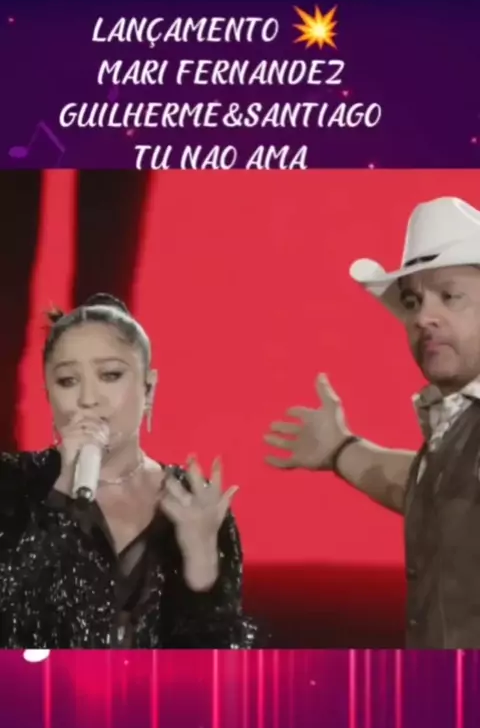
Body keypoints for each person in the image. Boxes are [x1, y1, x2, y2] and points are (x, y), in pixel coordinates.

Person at [265, 195, 480, 649]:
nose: (423, 317)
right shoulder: (458, 426)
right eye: (412, 301)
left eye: (450, 296)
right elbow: (432, 490)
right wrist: (342, 450)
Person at [0, 293, 262, 649]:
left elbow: (219, 655)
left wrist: (201, 565)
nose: (88, 398)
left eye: (110, 375)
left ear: (148, 388)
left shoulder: (190, 500)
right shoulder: (12, 483)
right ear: (48, 393)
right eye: (67, 380)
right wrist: (62, 492)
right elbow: (14, 623)